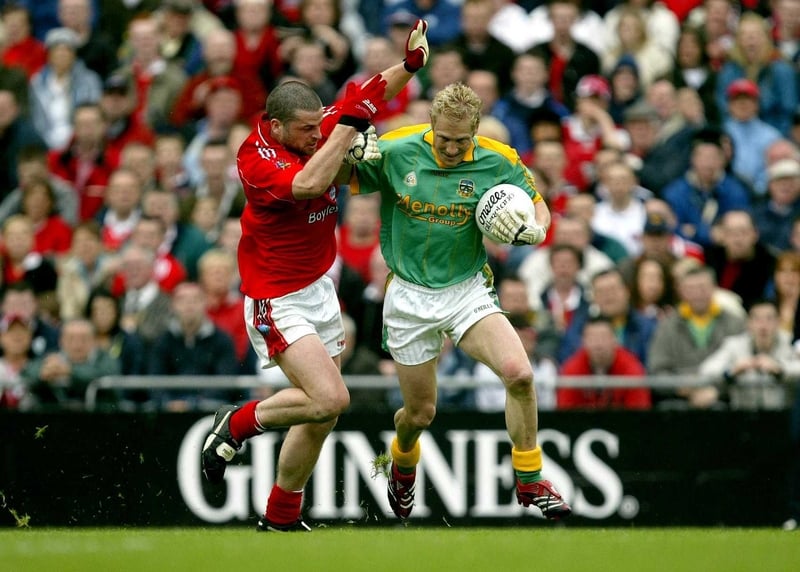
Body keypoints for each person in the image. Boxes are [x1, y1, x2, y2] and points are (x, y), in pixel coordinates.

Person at [200, 19, 431, 532]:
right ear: (276, 125)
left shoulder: (311, 129)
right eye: (306, 130)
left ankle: (282, 516)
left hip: (317, 288)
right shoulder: (256, 157)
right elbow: (307, 184)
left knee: (321, 414)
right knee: (332, 398)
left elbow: (366, 92)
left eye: (317, 126)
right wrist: (349, 128)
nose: (314, 133)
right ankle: (236, 424)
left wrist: (410, 66)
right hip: (275, 297)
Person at [349, 81, 571, 521]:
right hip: (408, 298)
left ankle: (529, 479)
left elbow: (538, 204)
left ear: (476, 128)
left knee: (520, 374)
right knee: (419, 413)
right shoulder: (397, 150)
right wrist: (348, 156)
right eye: (444, 139)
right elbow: (339, 177)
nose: (451, 148)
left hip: (466, 290)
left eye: (461, 140)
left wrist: (539, 229)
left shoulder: (499, 159)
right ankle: (403, 460)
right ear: (431, 124)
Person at [558, 315, 651, 410]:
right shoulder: (572, 369)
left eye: (604, 337)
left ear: (615, 339)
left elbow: (639, 413)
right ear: (583, 341)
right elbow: (565, 413)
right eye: (592, 338)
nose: (598, 344)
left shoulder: (631, 368)